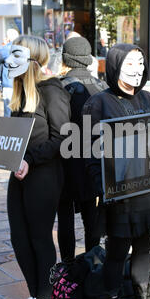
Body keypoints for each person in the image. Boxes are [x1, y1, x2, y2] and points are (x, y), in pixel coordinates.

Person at [0, 35, 71, 299]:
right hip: (19, 175)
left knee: (40, 238)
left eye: (15, 53)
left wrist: (29, 159)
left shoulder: (52, 93)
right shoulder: (20, 93)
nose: (9, 59)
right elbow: (15, 134)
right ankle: (34, 295)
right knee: (19, 238)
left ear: (33, 59)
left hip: (43, 176)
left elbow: (64, 139)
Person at [83, 43, 150, 299]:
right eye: (131, 63)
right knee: (117, 253)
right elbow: (88, 152)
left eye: (141, 62)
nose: (138, 68)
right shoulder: (98, 103)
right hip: (120, 196)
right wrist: (100, 188)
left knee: (144, 250)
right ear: (116, 66)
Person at [57, 36, 107, 261]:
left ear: (66, 58)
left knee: (65, 215)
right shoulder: (103, 88)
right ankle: (92, 263)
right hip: (95, 162)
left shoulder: (58, 87)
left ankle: (67, 267)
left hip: (65, 163)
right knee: (91, 215)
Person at [0, 28, 19, 117]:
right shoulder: (24, 47)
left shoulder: (7, 48)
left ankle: (10, 130)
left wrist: (3, 45)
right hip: (21, 82)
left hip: (9, 84)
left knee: (8, 112)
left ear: (8, 38)